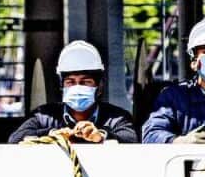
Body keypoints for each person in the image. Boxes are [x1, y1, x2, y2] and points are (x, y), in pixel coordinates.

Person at [8, 40, 138, 144]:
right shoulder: (44, 116)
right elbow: (15, 139)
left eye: (85, 82)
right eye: (70, 82)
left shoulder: (116, 117)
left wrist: (101, 135)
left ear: (99, 86)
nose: (77, 87)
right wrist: (52, 134)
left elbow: (131, 139)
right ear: (62, 86)